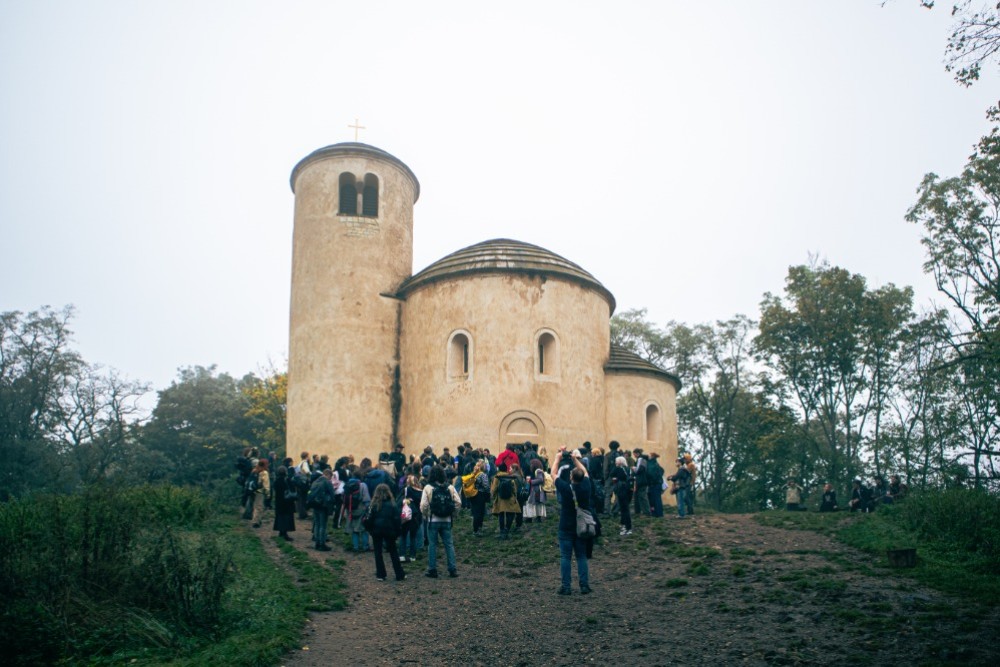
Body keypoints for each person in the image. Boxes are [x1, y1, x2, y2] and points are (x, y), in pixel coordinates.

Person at [552, 448, 592, 595]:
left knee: (565, 557)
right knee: (581, 556)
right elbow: (585, 472)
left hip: (566, 524)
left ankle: (566, 586)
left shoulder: (565, 488)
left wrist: (557, 458)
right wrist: (576, 460)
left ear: (571, 477)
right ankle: (584, 585)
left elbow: (553, 474)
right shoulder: (586, 486)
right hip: (582, 525)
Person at [420, 465, 462, 578]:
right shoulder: (450, 487)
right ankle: (452, 569)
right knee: (449, 544)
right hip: (447, 520)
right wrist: (453, 514)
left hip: (433, 519)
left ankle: (432, 569)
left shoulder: (428, 487)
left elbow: (423, 505)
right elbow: (458, 502)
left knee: (432, 545)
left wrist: (426, 515)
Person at [364, 483, 406, 582]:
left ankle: (381, 574)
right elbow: (397, 520)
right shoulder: (392, 504)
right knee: (393, 552)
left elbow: (369, 519)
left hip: (376, 531)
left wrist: (370, 530)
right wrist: (398, 532)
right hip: (389, 531)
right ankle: (399, 573)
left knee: (378, 553)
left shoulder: (373, 505)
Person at [491, 462, 522, 539]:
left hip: (500, 499)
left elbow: (494, 489)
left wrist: (494, 497)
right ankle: (507, 529)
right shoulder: (510, 477)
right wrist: (515, 497)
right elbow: (514, 489)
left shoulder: (497, 477)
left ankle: (502, 530)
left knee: (501, 514)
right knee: (510, 514)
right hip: (510, 498)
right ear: (506, 469)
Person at [343, 471, 372, 552]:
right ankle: (365, 546)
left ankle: (355, 546)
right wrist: (367, 509)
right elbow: (366, 499)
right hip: (361, 509)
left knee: (354, 529)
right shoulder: (363, 485)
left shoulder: (347, 484)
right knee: (363, 529)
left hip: (350, 510)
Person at [309, 468, 335, 551]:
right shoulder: (327, 482)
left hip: (315, 505)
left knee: (317, 524)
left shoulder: (315, 481)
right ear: (328, 475)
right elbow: (332, 494)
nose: (331, 479)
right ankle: (322, 544)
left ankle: (317, 542)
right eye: (331, 477)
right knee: (323, 525)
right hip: (323, 506)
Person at [400, 474, 424, 562]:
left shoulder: (406, 490)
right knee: (413, 536)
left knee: (403, 535)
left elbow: (399, 500)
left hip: (406, 515)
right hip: (416, 516)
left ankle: (402, 555)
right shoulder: (421, 492)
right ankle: (412, 556)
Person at [271, 465, 296, 541]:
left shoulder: (276, 481)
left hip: (279, 502)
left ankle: (281, 532)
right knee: (286, 518)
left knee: (280, 517)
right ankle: (284, 533)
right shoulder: (287, 480)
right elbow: (292, 489)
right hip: (287, 502)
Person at [610, 455, 632, 535]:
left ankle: (626, 527)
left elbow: (611, 474)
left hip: (622, 490)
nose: (615, 462)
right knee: (625, 508)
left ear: (619, 462)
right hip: (628, 490)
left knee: (624, 509)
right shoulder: (628, 468)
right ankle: (625, 526)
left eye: (616, 461)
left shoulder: (618, 468)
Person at [469, 460, 491, 535]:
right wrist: (488, 493)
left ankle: (475, 528)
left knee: (475, 512)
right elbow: (486, 486)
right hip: (480, 495)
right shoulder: (482, 475)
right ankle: (478, 529)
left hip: (473, 494)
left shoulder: (473, 474)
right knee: (480, 512)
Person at [249, 458, 271, 528]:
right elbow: (266, 484)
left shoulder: (254, 471)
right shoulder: (264, 472)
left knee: (255, 506)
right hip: (260, 491)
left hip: (253, 490)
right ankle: (256, 521)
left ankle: (256, 520)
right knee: (260, 506)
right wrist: (268, 493)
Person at [646, 452, 665, 518]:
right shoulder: (656, 463)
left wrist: (650, 480)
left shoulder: (651, 464)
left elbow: (650, 473)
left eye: (649, 455)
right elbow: (662, 470)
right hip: (657, 483)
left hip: (654, 484)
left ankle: (657, 513)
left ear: (652, 456)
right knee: (657, 498)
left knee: (654, 499)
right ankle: (659, 513)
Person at [632, 449, 651, 517]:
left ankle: (647, 512)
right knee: (640, 497)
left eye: (634, 454)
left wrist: (634, 469)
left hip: (641, 480)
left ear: (637, 453)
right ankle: (642, 511)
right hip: (641, 480)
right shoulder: (643, 459)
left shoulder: (641, 459)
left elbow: (640, 469)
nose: (633, 455)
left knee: (643, 497)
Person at [295, 451, 311, 520]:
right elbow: (307, 471)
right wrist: (310, 475)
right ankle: (303, 514)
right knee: (303, 498)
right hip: (304, 483)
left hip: (299, 483)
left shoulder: (300, 463)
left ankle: (301, 513)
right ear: (306, 456)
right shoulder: (305, 463)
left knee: (300, 498)